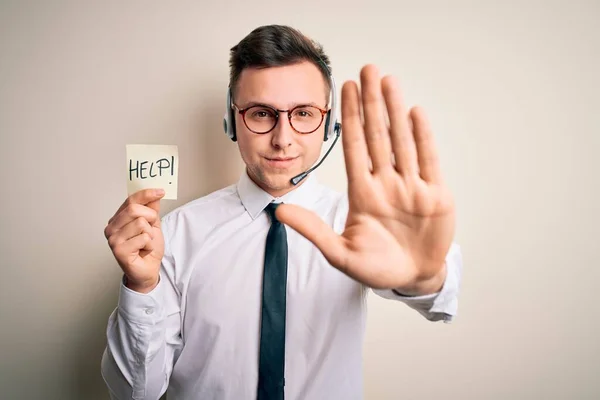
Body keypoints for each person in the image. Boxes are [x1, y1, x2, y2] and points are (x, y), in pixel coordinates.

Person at [101, 24, 463, 400]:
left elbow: (443, 300)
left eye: (304, 113)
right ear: (231, 119)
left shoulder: (359, 223)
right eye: (261, 114)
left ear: (327, 124)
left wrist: (423, 277)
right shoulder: (174, 234)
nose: (282, 138)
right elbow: (134, 393)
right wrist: (141, 288)